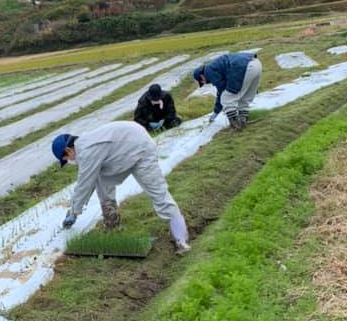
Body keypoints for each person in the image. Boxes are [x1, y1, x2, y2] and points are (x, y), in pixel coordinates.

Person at [51, 121, 190, 252]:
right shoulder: (84, 146)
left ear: (68, 150)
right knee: (101, 179)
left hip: (141, 148)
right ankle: (112, 224)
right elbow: (91, 181)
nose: (69, 161)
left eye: (66, 159)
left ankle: (181, 239)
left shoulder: (87, 151)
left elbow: (84, 184)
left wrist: (74, 212)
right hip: (123, 152)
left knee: (158, 192)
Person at [193, 52, 262, 130]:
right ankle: (243, 121)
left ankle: (236, 126)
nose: (204, 83)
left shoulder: (208, 71)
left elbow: (222, 91)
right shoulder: (215, 66)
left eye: (201, 81)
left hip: (243, 67)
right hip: (256, 63)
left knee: (226, 98)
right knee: (244, 97)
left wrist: (216, 112)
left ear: (201, 75)